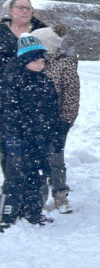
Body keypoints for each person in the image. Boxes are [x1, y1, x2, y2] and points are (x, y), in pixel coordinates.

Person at [0, 35, 61, 230]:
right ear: (24, 60)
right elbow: (7, 112)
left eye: (42, 60)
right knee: (14, 177)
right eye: (36, 60)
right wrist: (13, 137)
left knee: (36, 176)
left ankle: (32, 212)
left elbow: (52, 111)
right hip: (15, 139)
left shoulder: (45, 82)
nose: (40, 64)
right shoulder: (10, 81)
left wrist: (53, 134)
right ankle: (7, 214)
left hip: (39, 138)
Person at [34, 25, 80, 214]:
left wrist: (65, 121)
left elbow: (72, 95)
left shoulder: (64, 64)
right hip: (35, 121)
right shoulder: (35, 61)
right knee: (37, 159)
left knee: (55, 158)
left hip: (57, 121)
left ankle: (60, 194)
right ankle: (40, 195)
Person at [0, 0, 45, 71]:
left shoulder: (42, 31)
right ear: (10, 11)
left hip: (33, 80)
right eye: (20, 8)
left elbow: (49, 58)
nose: (25, 11)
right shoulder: (2, 30)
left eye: (28, 8)